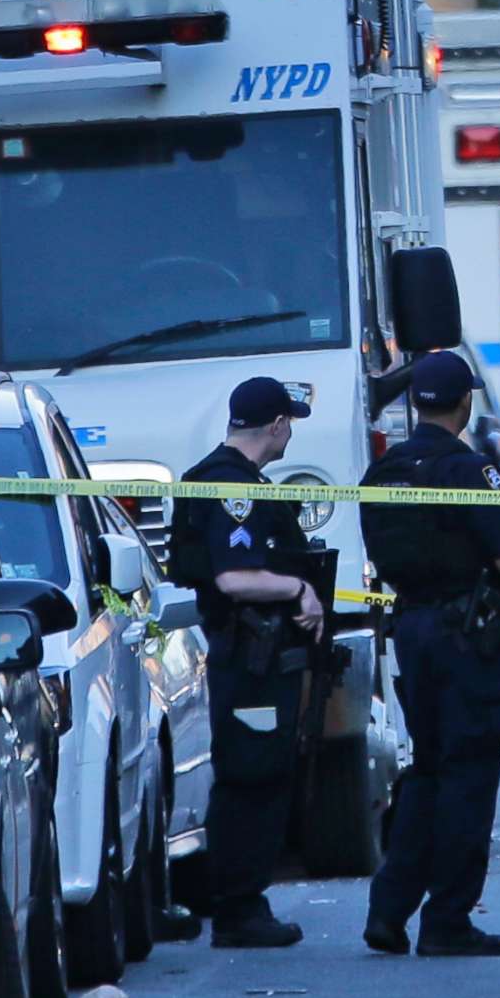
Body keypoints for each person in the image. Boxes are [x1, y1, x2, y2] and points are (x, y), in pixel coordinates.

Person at [361, 352, 500, 958]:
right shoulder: (469, 469)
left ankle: (389, 910)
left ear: (416, 402)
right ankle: (448, 918)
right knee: (469, 777)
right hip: (468, 638)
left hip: (412, 629)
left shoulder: (381, 475)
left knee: (427, 773)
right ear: (465, 403)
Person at [169, 377, 329, 948]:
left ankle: (238, 899)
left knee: (253, 773)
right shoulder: (233, 489)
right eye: (292, 423)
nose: (292, 434)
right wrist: (297, 591)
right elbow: (234, 576)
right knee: (254, 777)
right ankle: (240, 909)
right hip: (250, 657)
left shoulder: (219, 479)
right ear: (278, 425)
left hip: (247, 655)